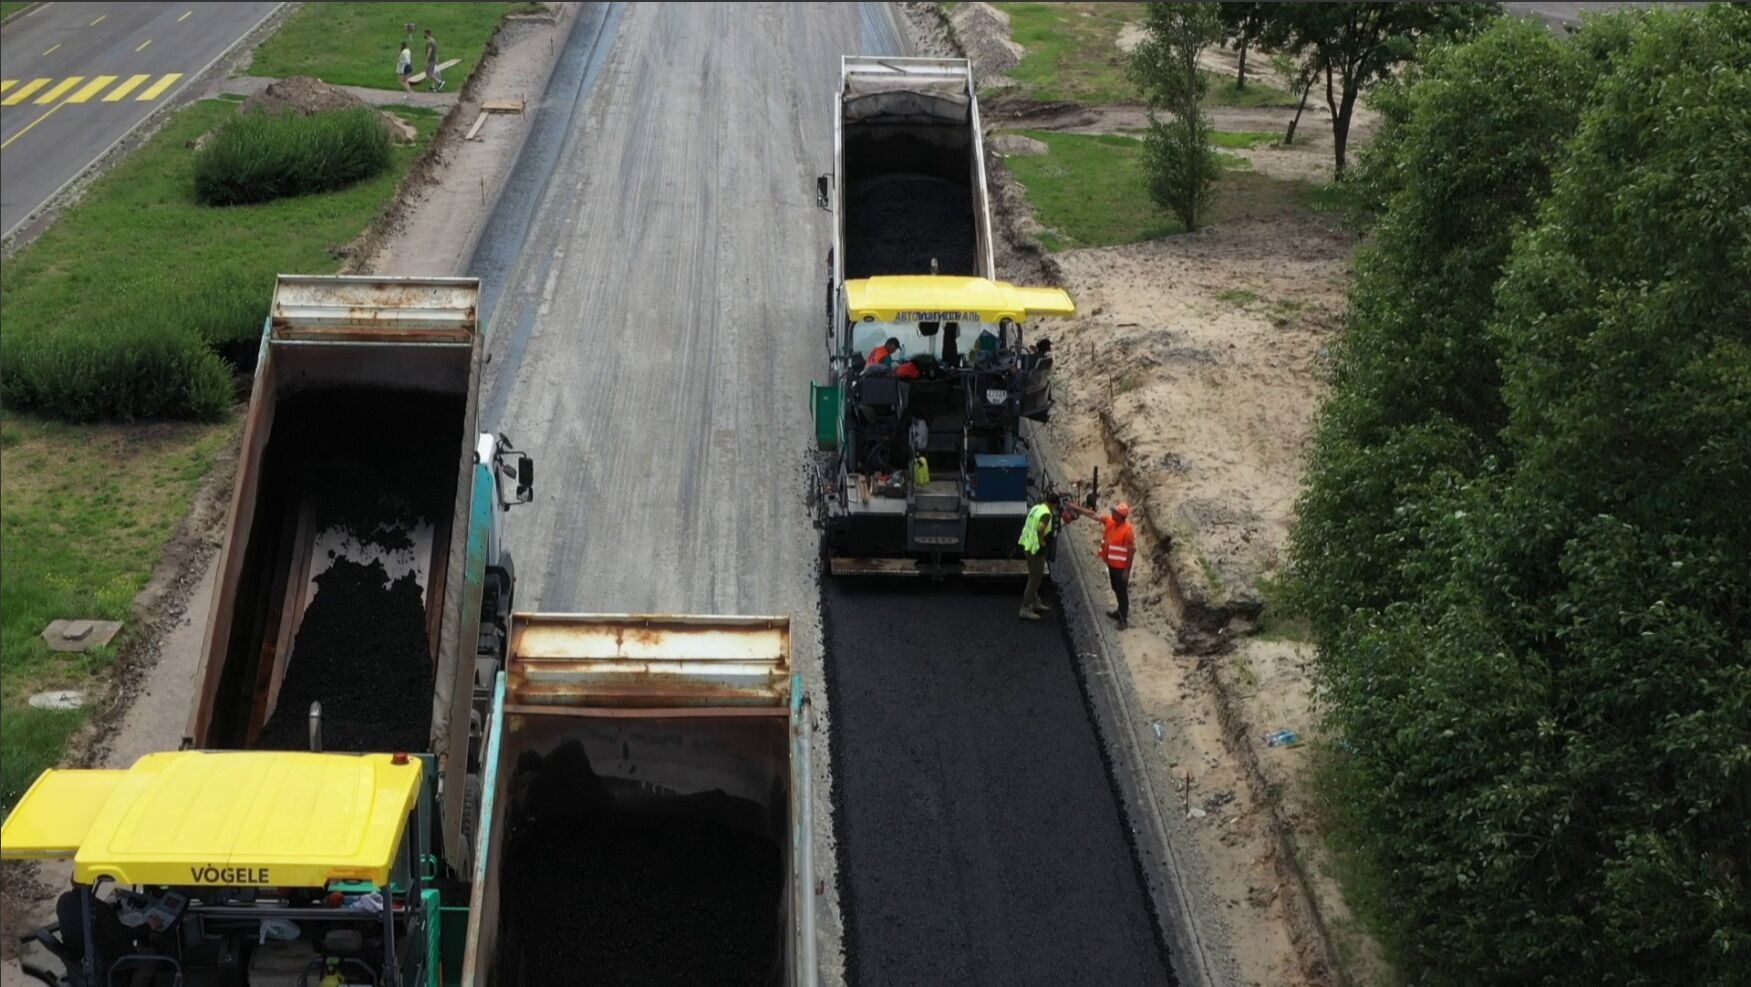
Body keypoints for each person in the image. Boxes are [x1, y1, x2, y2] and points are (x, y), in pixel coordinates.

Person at [1069, 500, 1137, 628]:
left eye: (1114, 512)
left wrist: (1126, 571)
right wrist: (1077, 508)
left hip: (1120, 567)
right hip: (1112, 564)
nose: (1112, 513)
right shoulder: (1111, 522)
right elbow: (1094, 515)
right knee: (1115, 588)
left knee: (1121, 592)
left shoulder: (1127, 531)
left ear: (1120, 516)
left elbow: (1131, 552)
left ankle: (1123, 619)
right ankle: (1119, 612)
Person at [1017, 492, 1061, 621]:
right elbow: (1040, 529)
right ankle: (1025, 608)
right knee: (1036, 578)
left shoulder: (1037, 508)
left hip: (1027, 545)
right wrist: (1042, 541)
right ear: (1055, 504)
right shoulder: (1047, 514)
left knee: (1033, 576)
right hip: (1035, 549)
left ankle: (1035, 601)